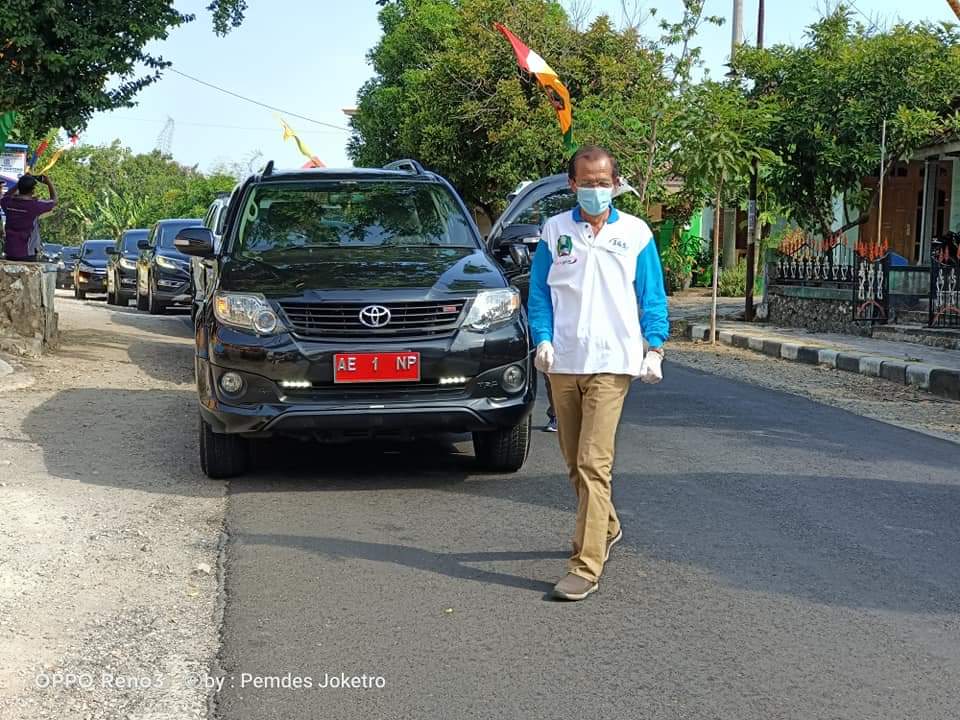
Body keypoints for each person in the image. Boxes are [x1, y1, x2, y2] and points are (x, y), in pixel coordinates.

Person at [528, 145, 668, 601]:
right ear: (572, 185)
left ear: (616, 183)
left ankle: (585, 565)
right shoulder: (555, 231)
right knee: (573, 461)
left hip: (613, 362)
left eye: (602, 181)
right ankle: (606, 524)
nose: (594, 189)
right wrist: (543, 338)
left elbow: (652, 296)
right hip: (564, 362)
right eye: (586, 182)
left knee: (593, 461)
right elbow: (539, 295)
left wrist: (656, 347)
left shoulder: (636, 233)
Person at [1, 174, 58, 261]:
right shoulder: (35, 206)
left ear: (19, 188)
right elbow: (54, 201)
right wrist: (48, 182)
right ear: (33, 190)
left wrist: (19, 183)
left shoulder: (7, 203)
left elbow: (6, 195)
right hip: (27, 253)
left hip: (9, 252)